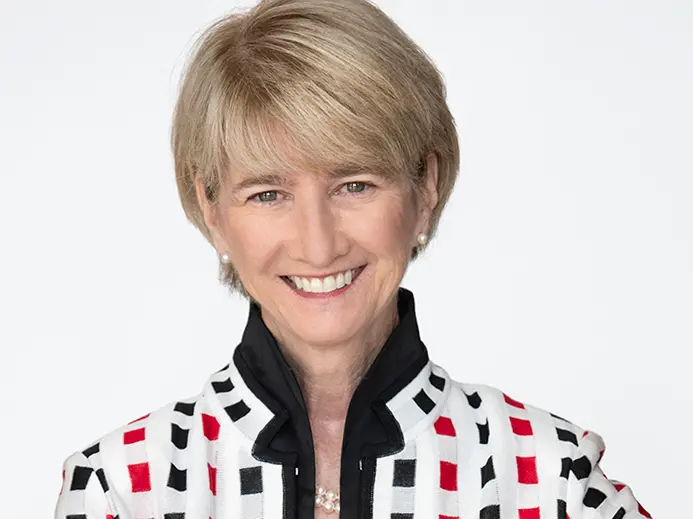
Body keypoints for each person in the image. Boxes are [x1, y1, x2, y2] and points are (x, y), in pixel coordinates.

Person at [54, 0, 651, 518]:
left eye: (355, 184)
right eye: (268, 194)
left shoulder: (550, 480)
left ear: (425, 190)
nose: (318, 244)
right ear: (212, 211)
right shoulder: (121, 488)